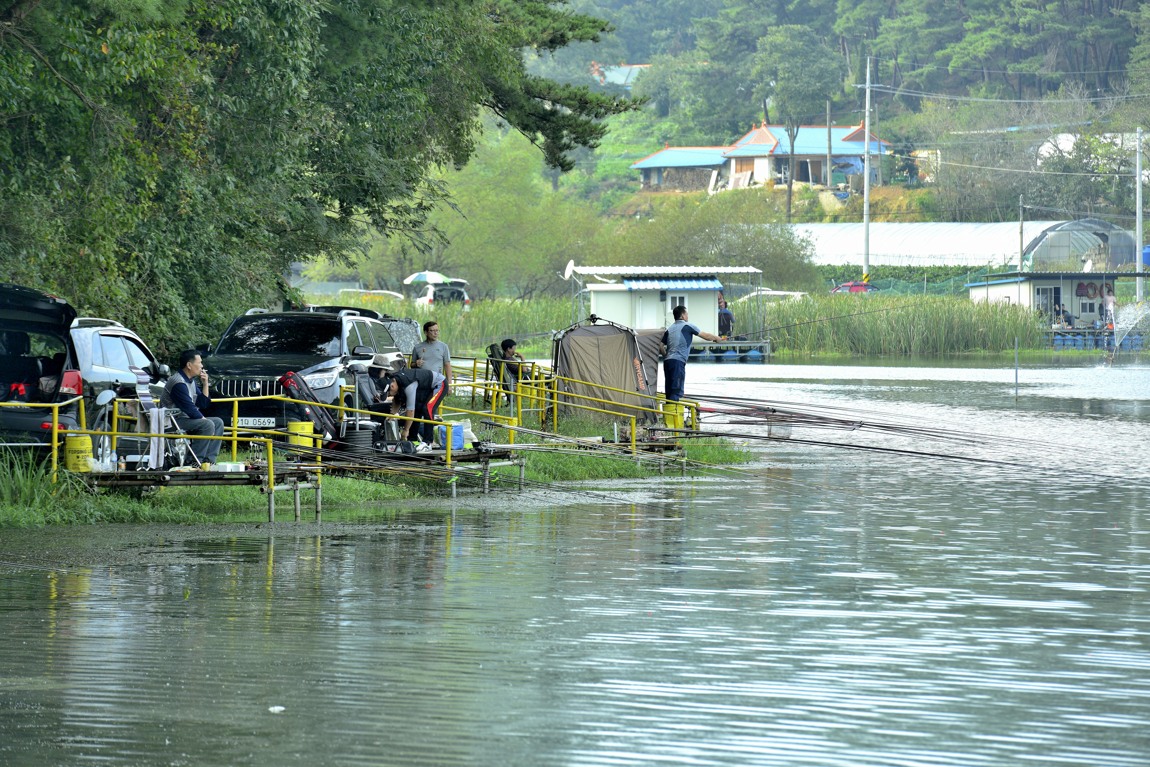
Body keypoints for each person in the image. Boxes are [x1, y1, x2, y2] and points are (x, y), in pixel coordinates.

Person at [160, 349, 225, 465]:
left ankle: (209, 461)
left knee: (218, 422)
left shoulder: (191, 381)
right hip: (171, 421)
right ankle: (194, 461)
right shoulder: (178, 382)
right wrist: (205, 421)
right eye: (199, 363)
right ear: (189, 365)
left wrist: (205, 384)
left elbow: (203, 404)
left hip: (184, 419)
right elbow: (190, 409)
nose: (202, 366)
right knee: (208, 424)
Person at [662, 305, 721, 402]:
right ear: (682, 315)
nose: (687, 316)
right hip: (678, 362)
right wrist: (716, 338)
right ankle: (676, 415)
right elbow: (706, 336)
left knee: (669, 391)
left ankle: (669, 415)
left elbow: (660, 346)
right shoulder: (687, 325)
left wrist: (666, 355)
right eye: (686, 314)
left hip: (667, 362)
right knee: (676, 391)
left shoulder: (669, 329)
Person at [380, 365, 446, 447]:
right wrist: (392, 415)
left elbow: (410, 411)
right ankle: (412, 440)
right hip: (426, 387)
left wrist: (405, 430)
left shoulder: (408, 386)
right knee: (418, 409)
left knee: (427, 409)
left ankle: (428, 442)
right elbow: (396, 400)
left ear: (392, 386)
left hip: (440, 383)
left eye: (389, 393)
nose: (389, 395)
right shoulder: (395, 380)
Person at [411, 320, 452, 395]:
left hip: (437, 382)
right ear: (426, 332)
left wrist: (449, 384)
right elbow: (412, 365)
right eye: (432, 331)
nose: (435, 333)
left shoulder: (443, 347)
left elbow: (447, 365)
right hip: (421, 382)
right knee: (421, 404)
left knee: (433, 404)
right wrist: (416, 364)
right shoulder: (417, 347)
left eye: (437, 330)